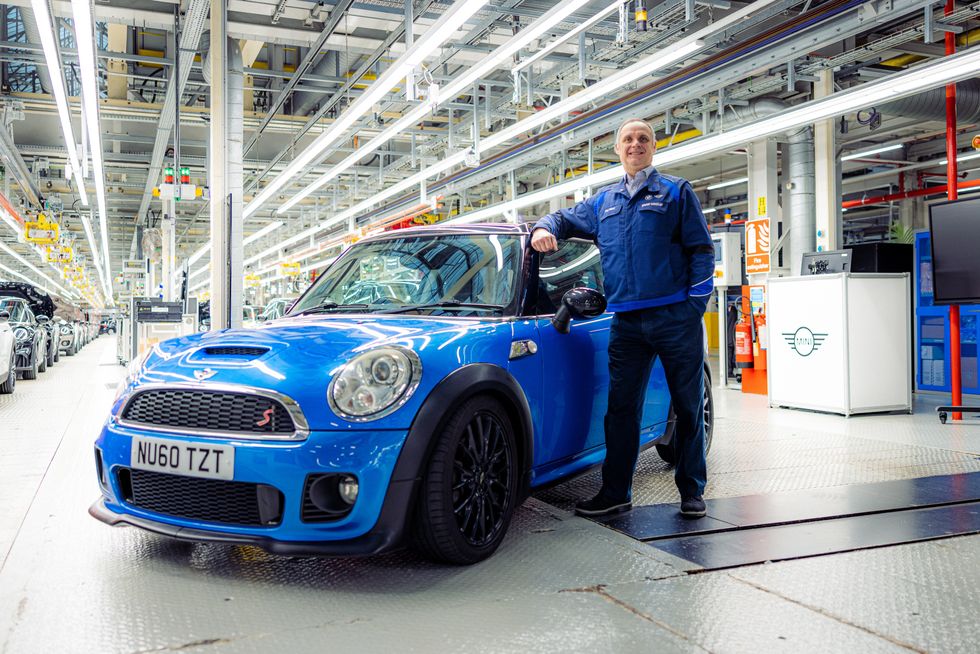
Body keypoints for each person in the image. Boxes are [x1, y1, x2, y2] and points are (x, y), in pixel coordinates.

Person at [531, 118, 714, 518]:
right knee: (620, 411)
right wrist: (543, 228)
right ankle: (616, 492)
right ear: (617, 149)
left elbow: (702, 251)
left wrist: (693, 306)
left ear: (653, 147)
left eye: (643, 139)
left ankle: (691, 491)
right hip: (626, 322)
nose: (635, 144)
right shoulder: (603, 202)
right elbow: (562, 219)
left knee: (686, 406)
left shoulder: (675, 192)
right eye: (628, 139)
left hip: (674, 318)